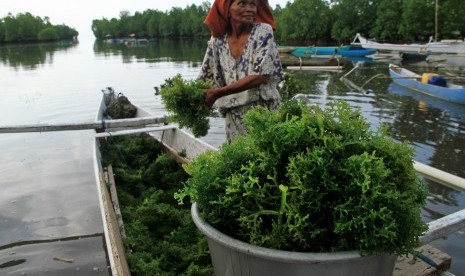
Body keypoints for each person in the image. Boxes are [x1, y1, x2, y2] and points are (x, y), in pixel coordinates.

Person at [198, 0, 283, 144]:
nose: (249, 9)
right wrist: (191, 97)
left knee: (267, 159)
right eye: (242, 3)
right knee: (238, 161)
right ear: (227, 10)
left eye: (252, 4)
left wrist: (216, 93)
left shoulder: (263, 31)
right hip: (234, 116)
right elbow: (205, 77)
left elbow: (260, 76)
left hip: (264, 112)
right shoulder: (217, 40)